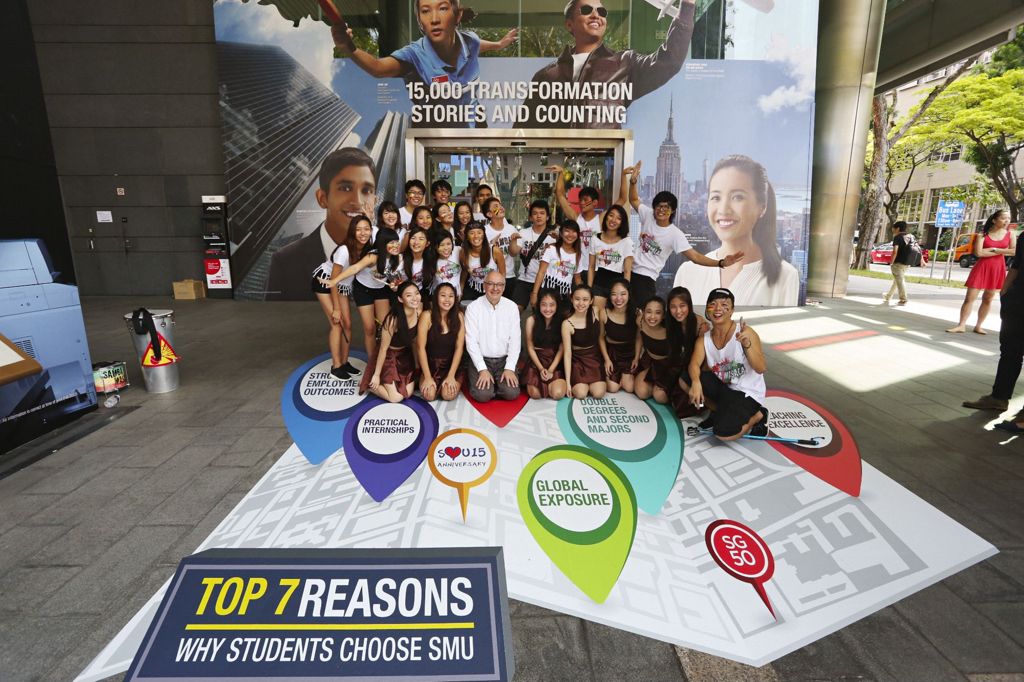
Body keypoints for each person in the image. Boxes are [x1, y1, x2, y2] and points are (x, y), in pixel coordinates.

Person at [331, 0, 517, 128]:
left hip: (475, 125)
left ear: (457, 15)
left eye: (442, 8)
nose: (434, 19)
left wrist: (499, 45)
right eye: (425, 11)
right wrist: (349, 48)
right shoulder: (414, 55)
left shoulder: (470, 41)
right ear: (420, 20)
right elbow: (378, 68)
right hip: (438, 138)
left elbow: (477, 46)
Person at [518, 0, 696, 129]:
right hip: (555, 171)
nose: (596, 15)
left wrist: (687, 6)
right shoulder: (546, 76)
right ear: (570, 24)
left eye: (602, 12)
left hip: (601, 170)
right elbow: (521, 132)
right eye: (586, 10)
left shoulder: (625, 64)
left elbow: (669, 61)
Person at [674, 155, 799, 306]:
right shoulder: (688, 272)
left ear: (762, 207)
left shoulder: (784, 276)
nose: (723, 209)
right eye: (716, 197)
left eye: (737, 197)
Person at [622, 161, 743, 307]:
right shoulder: (648, 215)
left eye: (667, 207)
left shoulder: (675, 234)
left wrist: (721, 263)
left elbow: (696, 257)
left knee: (641, 316)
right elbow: (634, 200)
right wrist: (633, 182)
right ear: (654, 208)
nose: (662, 210)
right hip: (627, 272)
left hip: (645, 279)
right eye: (659, 206)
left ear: (672, 210)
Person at [268, 148, 376, 300]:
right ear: (322, 198)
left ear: (375, 201)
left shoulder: (387, 255)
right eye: (345, 188)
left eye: (366, 190)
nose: (358, 201)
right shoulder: (286, 262)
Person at [688, 288, 768, 441]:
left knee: (722, 433)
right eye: (713, 304)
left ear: (732, 310)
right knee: (686, 378)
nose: (718, 309)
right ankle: (721, 412)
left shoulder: (745, 332)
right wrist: (696, 382)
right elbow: (694, 364)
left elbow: (761, 368)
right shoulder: (704, 339)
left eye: (724, 304)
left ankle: (759, 415)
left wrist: (747, 345)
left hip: (747, 392)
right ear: (707, 309)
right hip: (726, 388)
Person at [964, 232, 1023, 415]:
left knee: (1010, 352)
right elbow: (1016, 266)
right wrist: (1005, 292)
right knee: (1010, 351)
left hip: (1018, 301)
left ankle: (1006, 403)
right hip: (1017, 301)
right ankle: (999, 398)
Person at [320, 227, 404, 355]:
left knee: (387, 326)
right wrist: (334, 280)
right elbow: (355, 268)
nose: (395, 245)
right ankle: (371, 361)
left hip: (380, 290)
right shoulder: (373, 256)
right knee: (369, 329)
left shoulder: (397, 258)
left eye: (396, 242)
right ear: (382, 243)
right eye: (391, 242)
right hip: (363, 290)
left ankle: (385, 357)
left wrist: (394, 285)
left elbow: (395, 279)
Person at [311, 214, 373, 380]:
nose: (363, 233)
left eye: (366, 229)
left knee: (348, 324)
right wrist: (336, 309)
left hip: (342, 287)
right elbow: (332, 280)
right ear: (352, 232)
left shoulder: (366, 250)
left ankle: (344, 362)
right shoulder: (344, 250)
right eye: (358, 229)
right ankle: (336, 366)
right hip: (325, 283)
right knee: (336, 323)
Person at [948, 210, 1016, 334]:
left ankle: (978, 325)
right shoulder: (982, 235)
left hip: (997, 268)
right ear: (994, 220)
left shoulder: (1010, 234)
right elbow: (979, 253)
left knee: (988, 299)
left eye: (1008, 218)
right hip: (981, 267)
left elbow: (1013, 251)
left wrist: (994, 249)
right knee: (969, 298)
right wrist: (1002, 250)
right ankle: (961, 325)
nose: (1007, 221)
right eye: (1003, 218)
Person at [463, 271, 521, 402]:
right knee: (482, 395)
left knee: (511, 393)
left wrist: (510, 368)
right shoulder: (473, 308)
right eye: (491, 284)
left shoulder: (511, 307)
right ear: (484, 286)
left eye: (500, 284)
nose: (495, 288)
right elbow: (471, 342)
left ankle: (496, 384)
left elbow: (515, 341)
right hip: (482, 359)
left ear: (504, 287)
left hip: (503, 361)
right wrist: (482, 369)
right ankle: (486, 382)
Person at [361, 281, 422, 402]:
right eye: (409, 295)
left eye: (417, 293)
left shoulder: (418, 311)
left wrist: (416, 364)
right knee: (396, 398)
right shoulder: (392, 320)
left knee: (408, 393)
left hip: (405, 355)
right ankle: (369, 383)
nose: (415, 298)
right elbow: (383, 349)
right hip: (389, 357)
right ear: (400, 299)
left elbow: (414, 342)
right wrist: (377, 375)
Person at [416, 282, 465, 401]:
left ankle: (457, 377)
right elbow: (420, 348)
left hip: (451, 365)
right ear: (436, 297)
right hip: (431, 365)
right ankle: (424, 377)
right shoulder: (426, 316)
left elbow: (459, 347)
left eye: (451, 296)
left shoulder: (459, 316)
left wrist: (451, 375)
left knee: (448, 395)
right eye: (443, 295)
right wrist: (427, 377)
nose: (447, 299)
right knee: (429, 396)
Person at [665, 286, 705, 417]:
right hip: (675, 367)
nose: (678, 311)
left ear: (689, 305)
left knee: (686, 407)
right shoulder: (669, 323)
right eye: (673, 307)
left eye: (682, 306)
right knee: (661, 396)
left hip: (695, 369)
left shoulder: (700, 324)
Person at [562, 284, 607, 399]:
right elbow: (567, 354)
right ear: (571, 299)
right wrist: (568, 383)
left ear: (591, 300)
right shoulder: (567, 323)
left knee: (598, 393)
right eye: (577, 299)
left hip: (594, 358)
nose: (581, 303)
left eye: (585, 299)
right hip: (577, 361)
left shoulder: (596, 311)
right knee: (581, 394)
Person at [521, 289, 567, 400]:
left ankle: (553, 383)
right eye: (544, 305)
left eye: (552, 305)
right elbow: (530, 347)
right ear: (538, 305)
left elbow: (562, 348)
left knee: (557, 394)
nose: (547, 309)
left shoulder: (563, 321)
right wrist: (541, 369)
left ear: (557, 305)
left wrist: (551, 370)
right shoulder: (531, 320)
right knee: (535, 394)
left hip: (554, 360)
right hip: (537, 360)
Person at [513, 200, 557, 311]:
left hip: (544, 282)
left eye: (542, 213)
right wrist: (513, 241)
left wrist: (559, 240)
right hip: (524, 279)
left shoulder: (554, 236)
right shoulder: (523, 233)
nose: (538, 216)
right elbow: (513, 252)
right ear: (530, 217)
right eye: (535, 213)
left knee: (540, 314)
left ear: (547, 217)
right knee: (515, 311)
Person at [588, 204, 633, 310]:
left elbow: (627, 271)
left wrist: (625, 293)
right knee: (597, 318)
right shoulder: (595, 239)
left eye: (618, 218)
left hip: (618, 286)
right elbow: (591, 266)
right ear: (606, 217)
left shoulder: (626, 242)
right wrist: (589, 289)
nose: (613, 220)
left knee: (612, 320)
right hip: (599, 283)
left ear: (622, 222)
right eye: (611, 215)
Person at [633, 296, 676, 404]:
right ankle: (653, 383)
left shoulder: (670, 330)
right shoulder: (640, 322)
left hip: (668, 365)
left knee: (660, 397)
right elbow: (639, 337)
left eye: (657, 312)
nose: (652, 317)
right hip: (650, 361)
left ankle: (660, 387)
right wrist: (636, 357)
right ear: (643, 312)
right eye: (648, 312)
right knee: (641, 393)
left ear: (663, 315)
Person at [548, 164, 601, 253]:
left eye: (585, 200)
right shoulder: (576, 218)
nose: (582, 203)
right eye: (580, 200)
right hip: (578, 265)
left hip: (596, 266)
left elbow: (622, 200)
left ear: (595, 203)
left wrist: (630, 180)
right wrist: (561, 173)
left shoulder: (601, 219)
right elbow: (560, 195)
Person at [532, 220, 584, 309]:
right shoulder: (551, 249)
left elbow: (577, 278)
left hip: (564, 295)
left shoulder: (578, 255)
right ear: (561, 233)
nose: (570, 235)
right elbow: (541, 272)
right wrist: (534, 293)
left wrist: (582, 296)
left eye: (574, 231)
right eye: (567, 231)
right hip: (547, 291)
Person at [599, 278, 637, 394]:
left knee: (630, 388)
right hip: (612, 353)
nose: (618, 298)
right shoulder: (604, 313)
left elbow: (639, 338)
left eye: (623, 294)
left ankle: (625, 378)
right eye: (614, 294)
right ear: (610, 296)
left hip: (629, 354)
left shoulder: (636, 313)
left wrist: (636, 358)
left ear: (629, 295)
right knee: (612, 388)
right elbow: (600, 337)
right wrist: (606, 359)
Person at [481, 197, 522, 300]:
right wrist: (491, 245)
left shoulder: (511, 229)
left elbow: (513, 253)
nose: (500, 208)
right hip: (490, 278)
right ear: (489, 214)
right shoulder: (484, 231)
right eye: (496, 206)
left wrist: (513, 241)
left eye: (500, 205)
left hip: (509, 276)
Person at [460, 222, 504, 302]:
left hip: (492, 289)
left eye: (479, 233)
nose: (476, 236)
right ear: (467, 237)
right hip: (473, 287)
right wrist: (461, 289)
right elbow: (464, 272)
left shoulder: (495, 251)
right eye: (472, 233)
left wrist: (499, 291)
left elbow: (502, 274)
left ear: (484, 235)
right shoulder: (463, 252)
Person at [882, 221, 915, 305]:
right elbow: (917, 248)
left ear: (898, 228)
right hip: (907, 263)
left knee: (900, 280)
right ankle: (888, 296)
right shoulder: (911, 237)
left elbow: (895, 251)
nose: (892, 229)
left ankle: (903, 298)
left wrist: (891, 262)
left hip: (898, 263)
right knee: (897, 280)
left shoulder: (897, 237)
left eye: (894, 228)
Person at [400, 226, 436, 301]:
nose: (416, 242)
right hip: (402, 296)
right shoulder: (400, 259)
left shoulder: (430, 260)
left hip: (422, 296)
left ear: (427, 243)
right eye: (413, 238)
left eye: (421, 239)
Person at [431, 231, 463, 296]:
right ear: (435, 246)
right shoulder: (432, 260)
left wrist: (461, 289)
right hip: (439, 296)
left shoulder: (458, 251)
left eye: (448, 244)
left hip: (456, 294)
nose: (446, 248)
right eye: (441, 245)